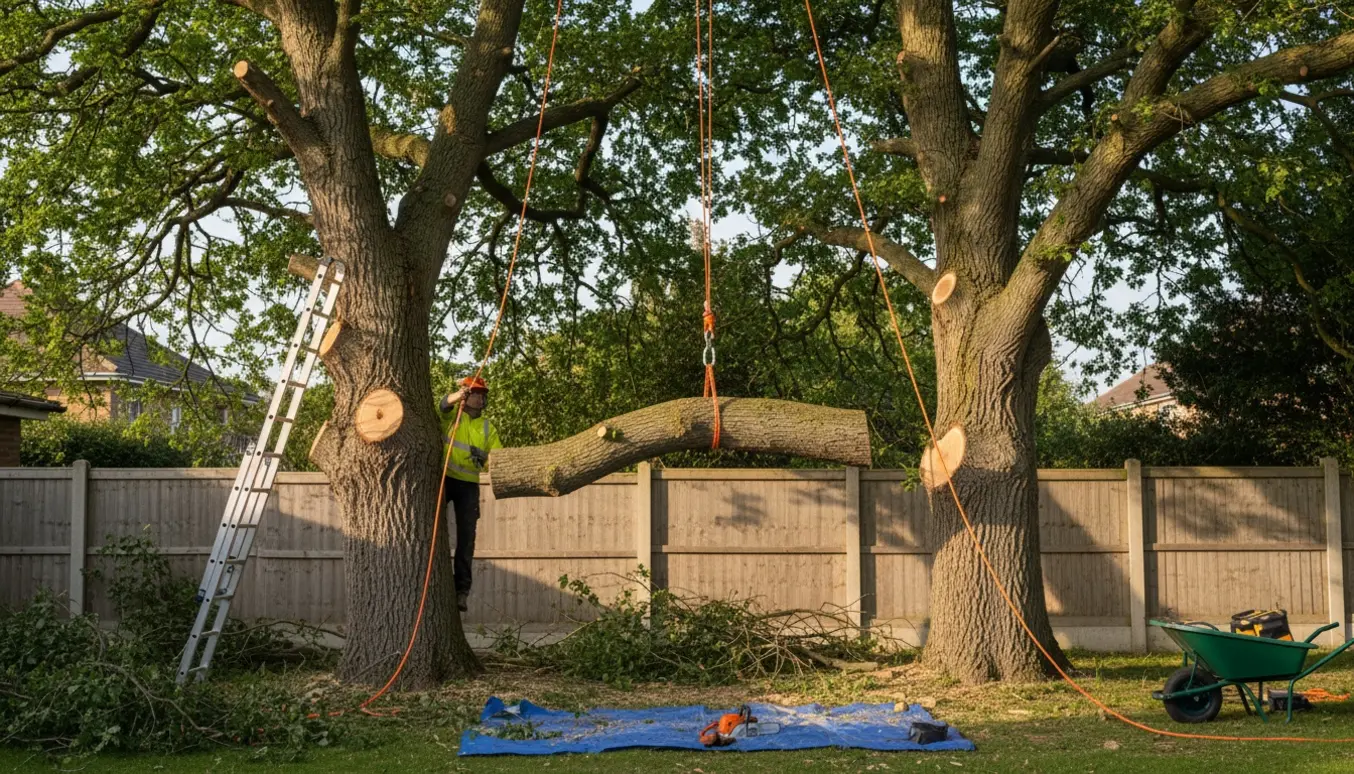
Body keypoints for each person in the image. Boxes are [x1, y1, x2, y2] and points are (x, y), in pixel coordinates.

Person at [439, 376, 502, 612]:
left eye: (483, 394)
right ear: (467, 395)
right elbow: (443, 405)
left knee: (467, 539)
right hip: (445, 479)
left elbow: (498, 460)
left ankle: (461, 591)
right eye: (477, 393)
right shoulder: (453, 417)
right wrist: (459, 396)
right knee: (434, 530)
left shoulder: (488, 428)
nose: (482, 398)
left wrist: (483, 458)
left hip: (468, 485)